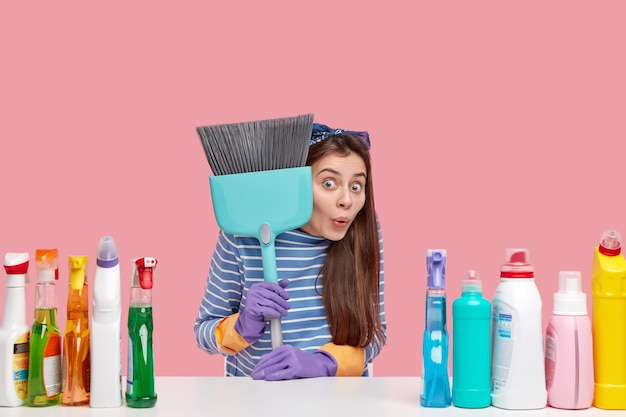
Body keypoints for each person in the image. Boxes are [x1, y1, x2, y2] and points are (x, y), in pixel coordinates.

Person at [194, 122, 386, 380]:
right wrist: (242, 326)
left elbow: (374, 335)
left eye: (356, 186)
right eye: (328, 183)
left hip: (338, 401)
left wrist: (322, 364)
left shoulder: (363, 231)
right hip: (256, 400)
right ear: (297, 186)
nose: (347, 201)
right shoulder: (243, 234)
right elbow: (203, 331)